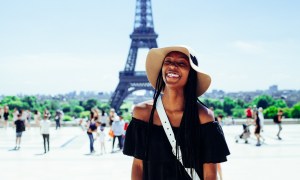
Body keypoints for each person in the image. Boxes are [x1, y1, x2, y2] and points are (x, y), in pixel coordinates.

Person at [123, 45, 230, 180]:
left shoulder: (203, 117)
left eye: (181, 63)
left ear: (191, 73)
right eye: (167, 61)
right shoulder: (142, 113)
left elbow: (210, 173)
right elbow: (138, 166)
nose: (172, 66)